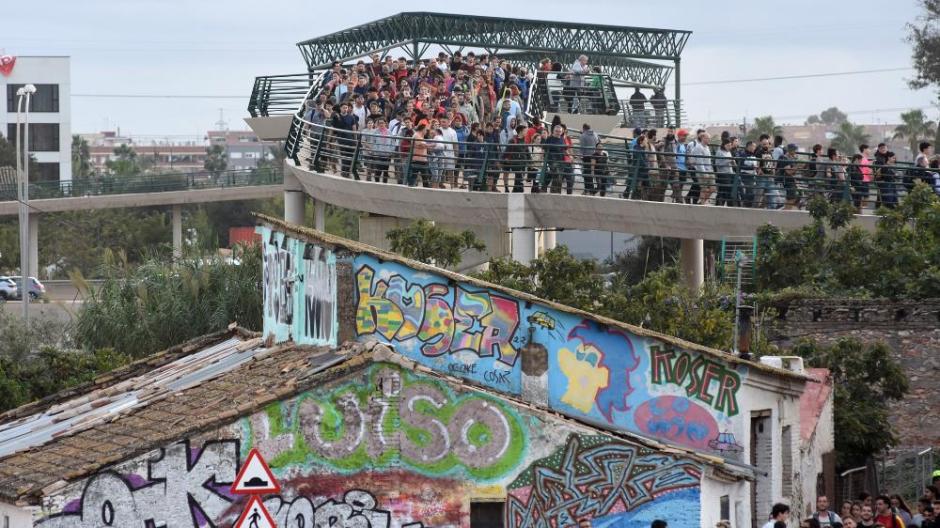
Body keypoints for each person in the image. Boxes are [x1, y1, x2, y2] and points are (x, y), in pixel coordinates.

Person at [691, 132, 715, 204]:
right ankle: (702, 203)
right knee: (703, 188)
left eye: (709, 138)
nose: (708, 140)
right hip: (702, 171)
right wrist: (704, 173)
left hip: (709, 169)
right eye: (707, 138)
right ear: (702, 138)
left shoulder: (707, 147)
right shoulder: (699, 147)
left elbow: (708, 160)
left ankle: (702, 201)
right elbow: (699, 161)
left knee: (713, 188)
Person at [579, 123, 600, 194]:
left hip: (586, 157)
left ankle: (590, 190)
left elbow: (582, 148)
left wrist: (580, 156)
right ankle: (588, 189)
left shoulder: (583, 136)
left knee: (587, 173)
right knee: (592, 173)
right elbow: (599, 143)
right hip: (595, 156)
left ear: (584, 128)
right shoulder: (595, 134)